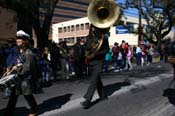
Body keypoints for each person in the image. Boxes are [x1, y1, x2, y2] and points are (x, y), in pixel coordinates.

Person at [4, 30, 38, 116]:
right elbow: (15, 60)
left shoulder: (29, 53)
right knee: (13, 96)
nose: (17, 40)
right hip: (19, 77)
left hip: (25, 78)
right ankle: (8, 113)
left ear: (25, 41)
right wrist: (11, 67)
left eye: (20, 39)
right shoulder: (18, 51)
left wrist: (17, 68)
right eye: (17, 38)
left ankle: (34, 111)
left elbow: (27, 68)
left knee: (27, 95)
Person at [80, 25, 109, 109]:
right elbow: (87, 48)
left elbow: (106, 50)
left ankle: (87, 101)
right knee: (97, 80)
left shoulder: (104, 38)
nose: (93, 29)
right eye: (91, 27)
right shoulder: (89, 37)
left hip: (99, 62)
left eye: (94, 27)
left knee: (93, 81)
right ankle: (103, 96)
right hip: (91, 61)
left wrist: (97, 53)